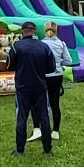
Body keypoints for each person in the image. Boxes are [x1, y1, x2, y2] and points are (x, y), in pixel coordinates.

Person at [10, 21, 54, 156]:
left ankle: (20, 149)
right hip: (40, 87)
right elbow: (51, 68)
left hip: (23, 87)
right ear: (35, 31)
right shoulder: (44, 47)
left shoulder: (17, 46)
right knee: (44, 117)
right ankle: (47, 149)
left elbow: (10, 65)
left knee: (21, 117)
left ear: (23, 31)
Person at [37, 20, 70, 141]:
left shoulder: (41, 44)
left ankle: (42, 128)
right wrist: (59, 62)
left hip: (43, 76)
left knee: (42, 103)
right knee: (55, 104)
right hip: (56, 76)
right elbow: (69, 61)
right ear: (57, 30)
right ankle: (55, 130)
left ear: (44, 30)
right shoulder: (61, 43)